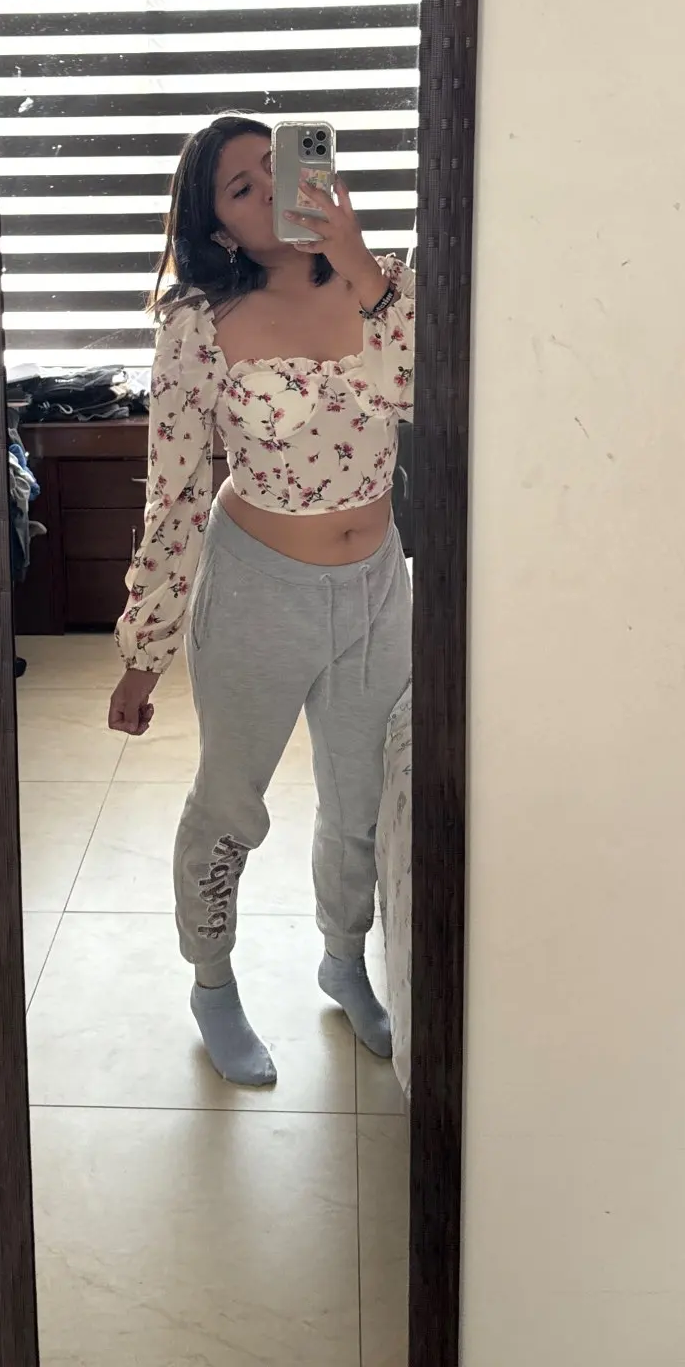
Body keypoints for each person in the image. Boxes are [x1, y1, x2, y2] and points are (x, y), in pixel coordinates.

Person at [107, 115, 415, 1086]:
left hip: (378, 587)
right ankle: (212, 980)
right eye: (241, 188)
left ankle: (345, 959)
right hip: (257, 591)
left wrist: (358, 262)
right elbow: (174, 492)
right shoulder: (198, 323)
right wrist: (145, 649)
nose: (269, 193)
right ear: (218, 227)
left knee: (362, 797)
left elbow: (427, 394)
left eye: (275, 169)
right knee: (233, 798)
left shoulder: (386, 284)